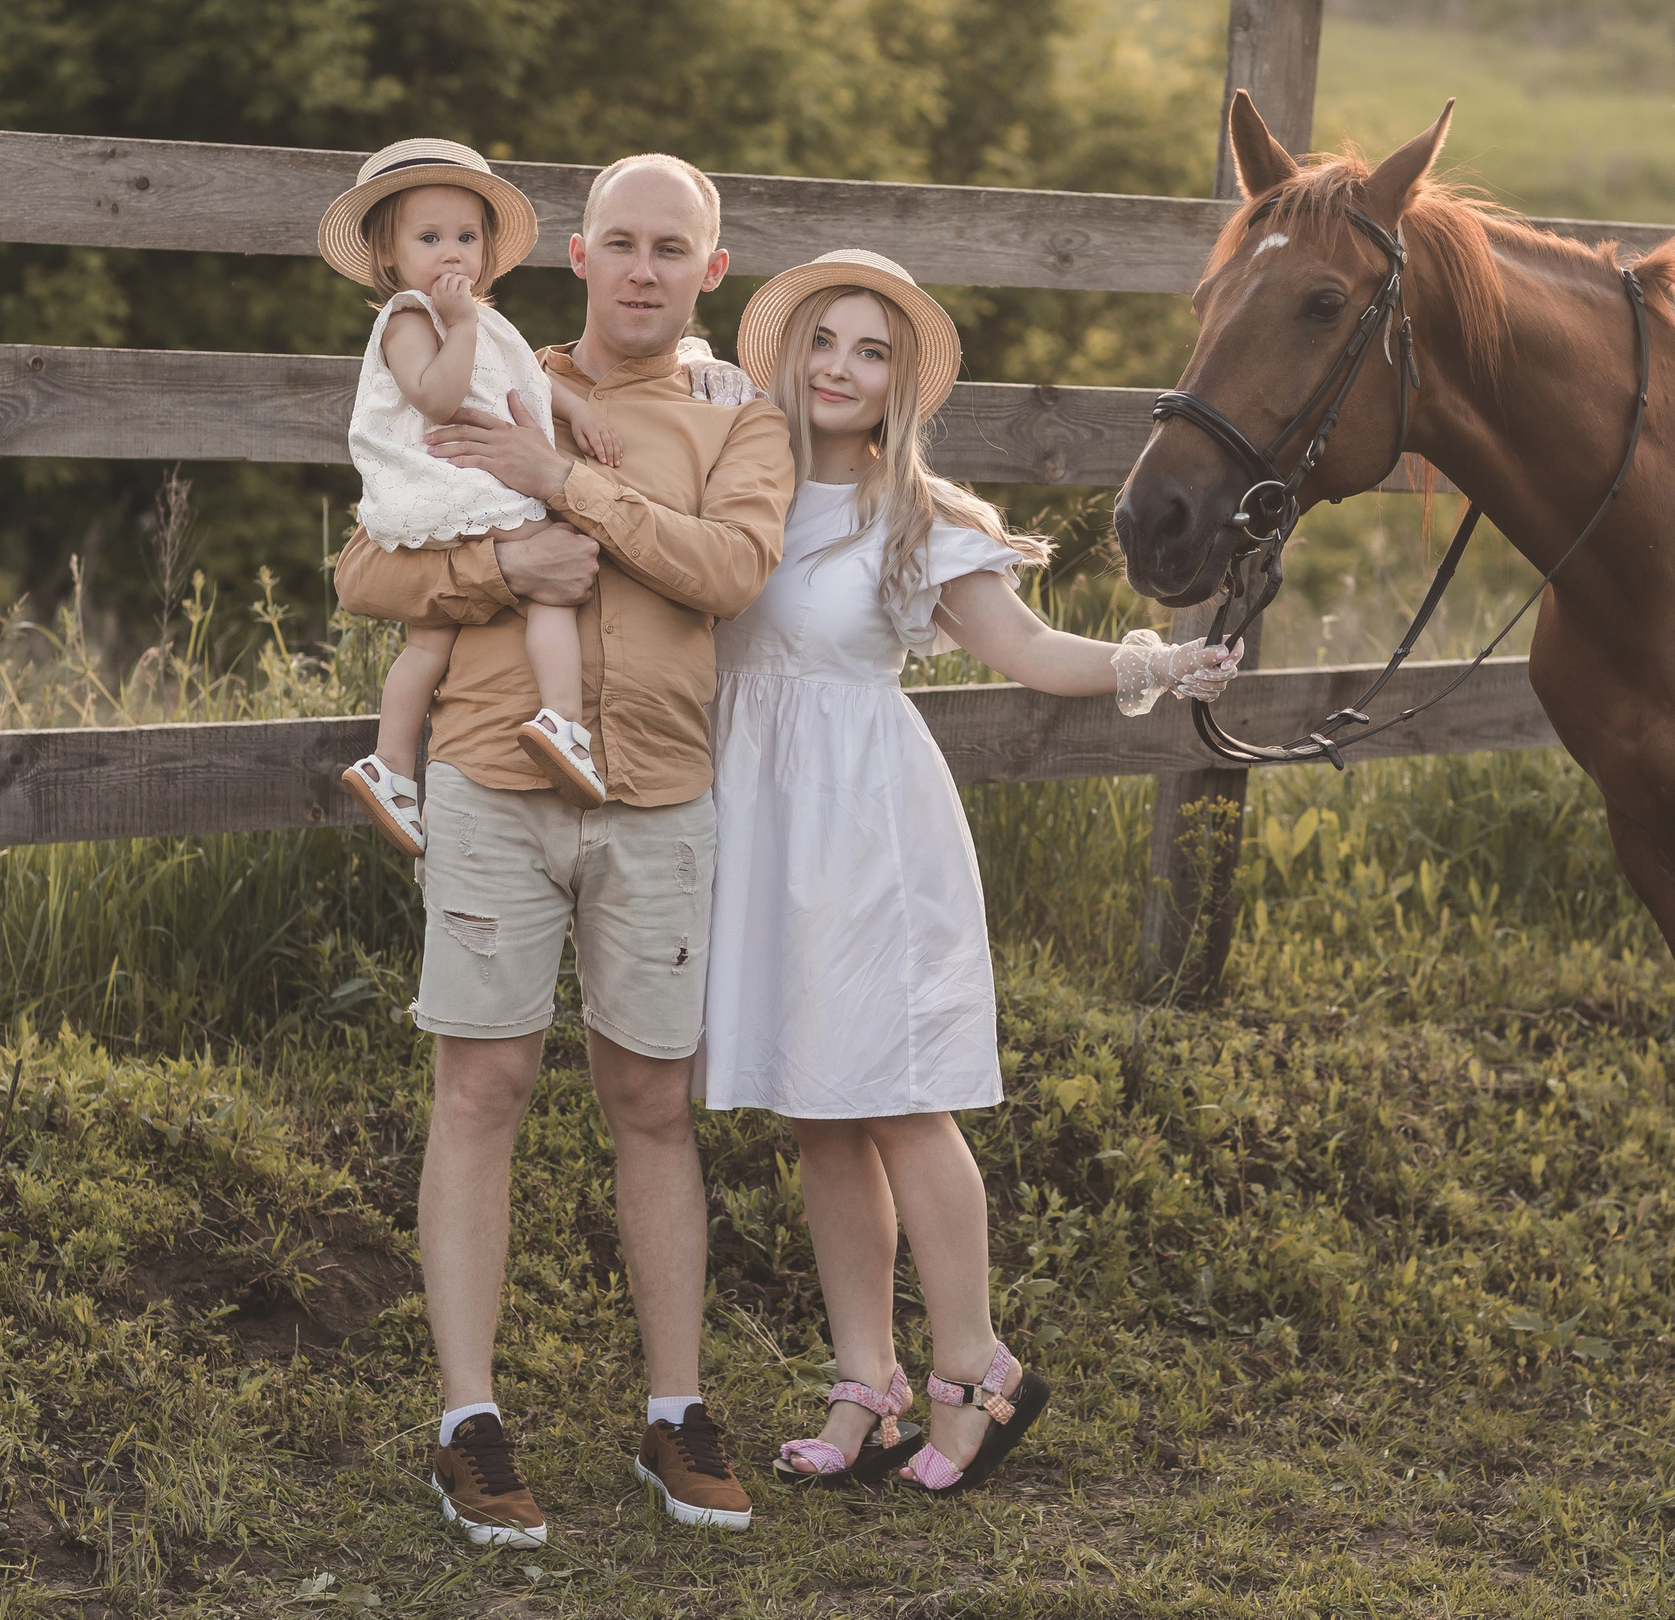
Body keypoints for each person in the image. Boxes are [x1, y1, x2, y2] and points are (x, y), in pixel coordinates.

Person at [701, 249, 1236, 1495]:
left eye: (871, 351)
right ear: (784, 355)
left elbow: (1030, 648)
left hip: (865, 826)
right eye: (822, 340)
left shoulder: (919, 517)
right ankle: (865, 1382)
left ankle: (973, 1364)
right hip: (761, 821)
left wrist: (1157, 663)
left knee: (896, 1096)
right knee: (816, 1104)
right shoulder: (735, 484)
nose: (840, 367)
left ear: (900, 385)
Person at [333, 151, 791, 1547]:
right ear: (579, 256)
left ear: (711, 271)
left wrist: (564, 487)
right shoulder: (489, 372)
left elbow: (728, 571)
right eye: (621, 242)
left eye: (672, 247)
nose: (644, 268)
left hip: (657, 790)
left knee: (651, 1096)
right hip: (491, 776)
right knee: (483, 1084)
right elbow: (364, 567)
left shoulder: (738, 421)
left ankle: (674, 1409)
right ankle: (468, 1420)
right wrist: (502, 564)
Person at [324, 139, 631, 847]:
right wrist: (459, 324)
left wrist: (578, 410)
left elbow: (525, 378)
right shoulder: (409, 318)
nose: (452, 255)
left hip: (469, 485)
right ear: (389, 252)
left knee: (430, 640)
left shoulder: (484, 323)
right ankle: (564, 722)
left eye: (466, 238)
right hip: (452, 484)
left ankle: (390, 765)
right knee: (555, 579)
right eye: (429, 239)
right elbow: (436, 398)